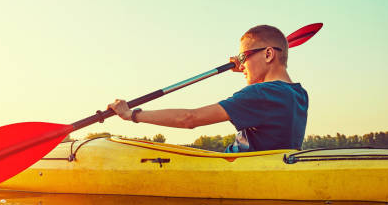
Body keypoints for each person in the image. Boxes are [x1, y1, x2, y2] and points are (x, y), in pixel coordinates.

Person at [108, 25, 308, 152]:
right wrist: (248, 69)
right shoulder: (298, 94)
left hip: (238, 169)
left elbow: (189, 119)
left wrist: (131, 114)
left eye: (243, 57)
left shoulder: (260, 94)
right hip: (272, 166)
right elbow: (268, 103)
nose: (240, 64)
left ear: (268, 54)